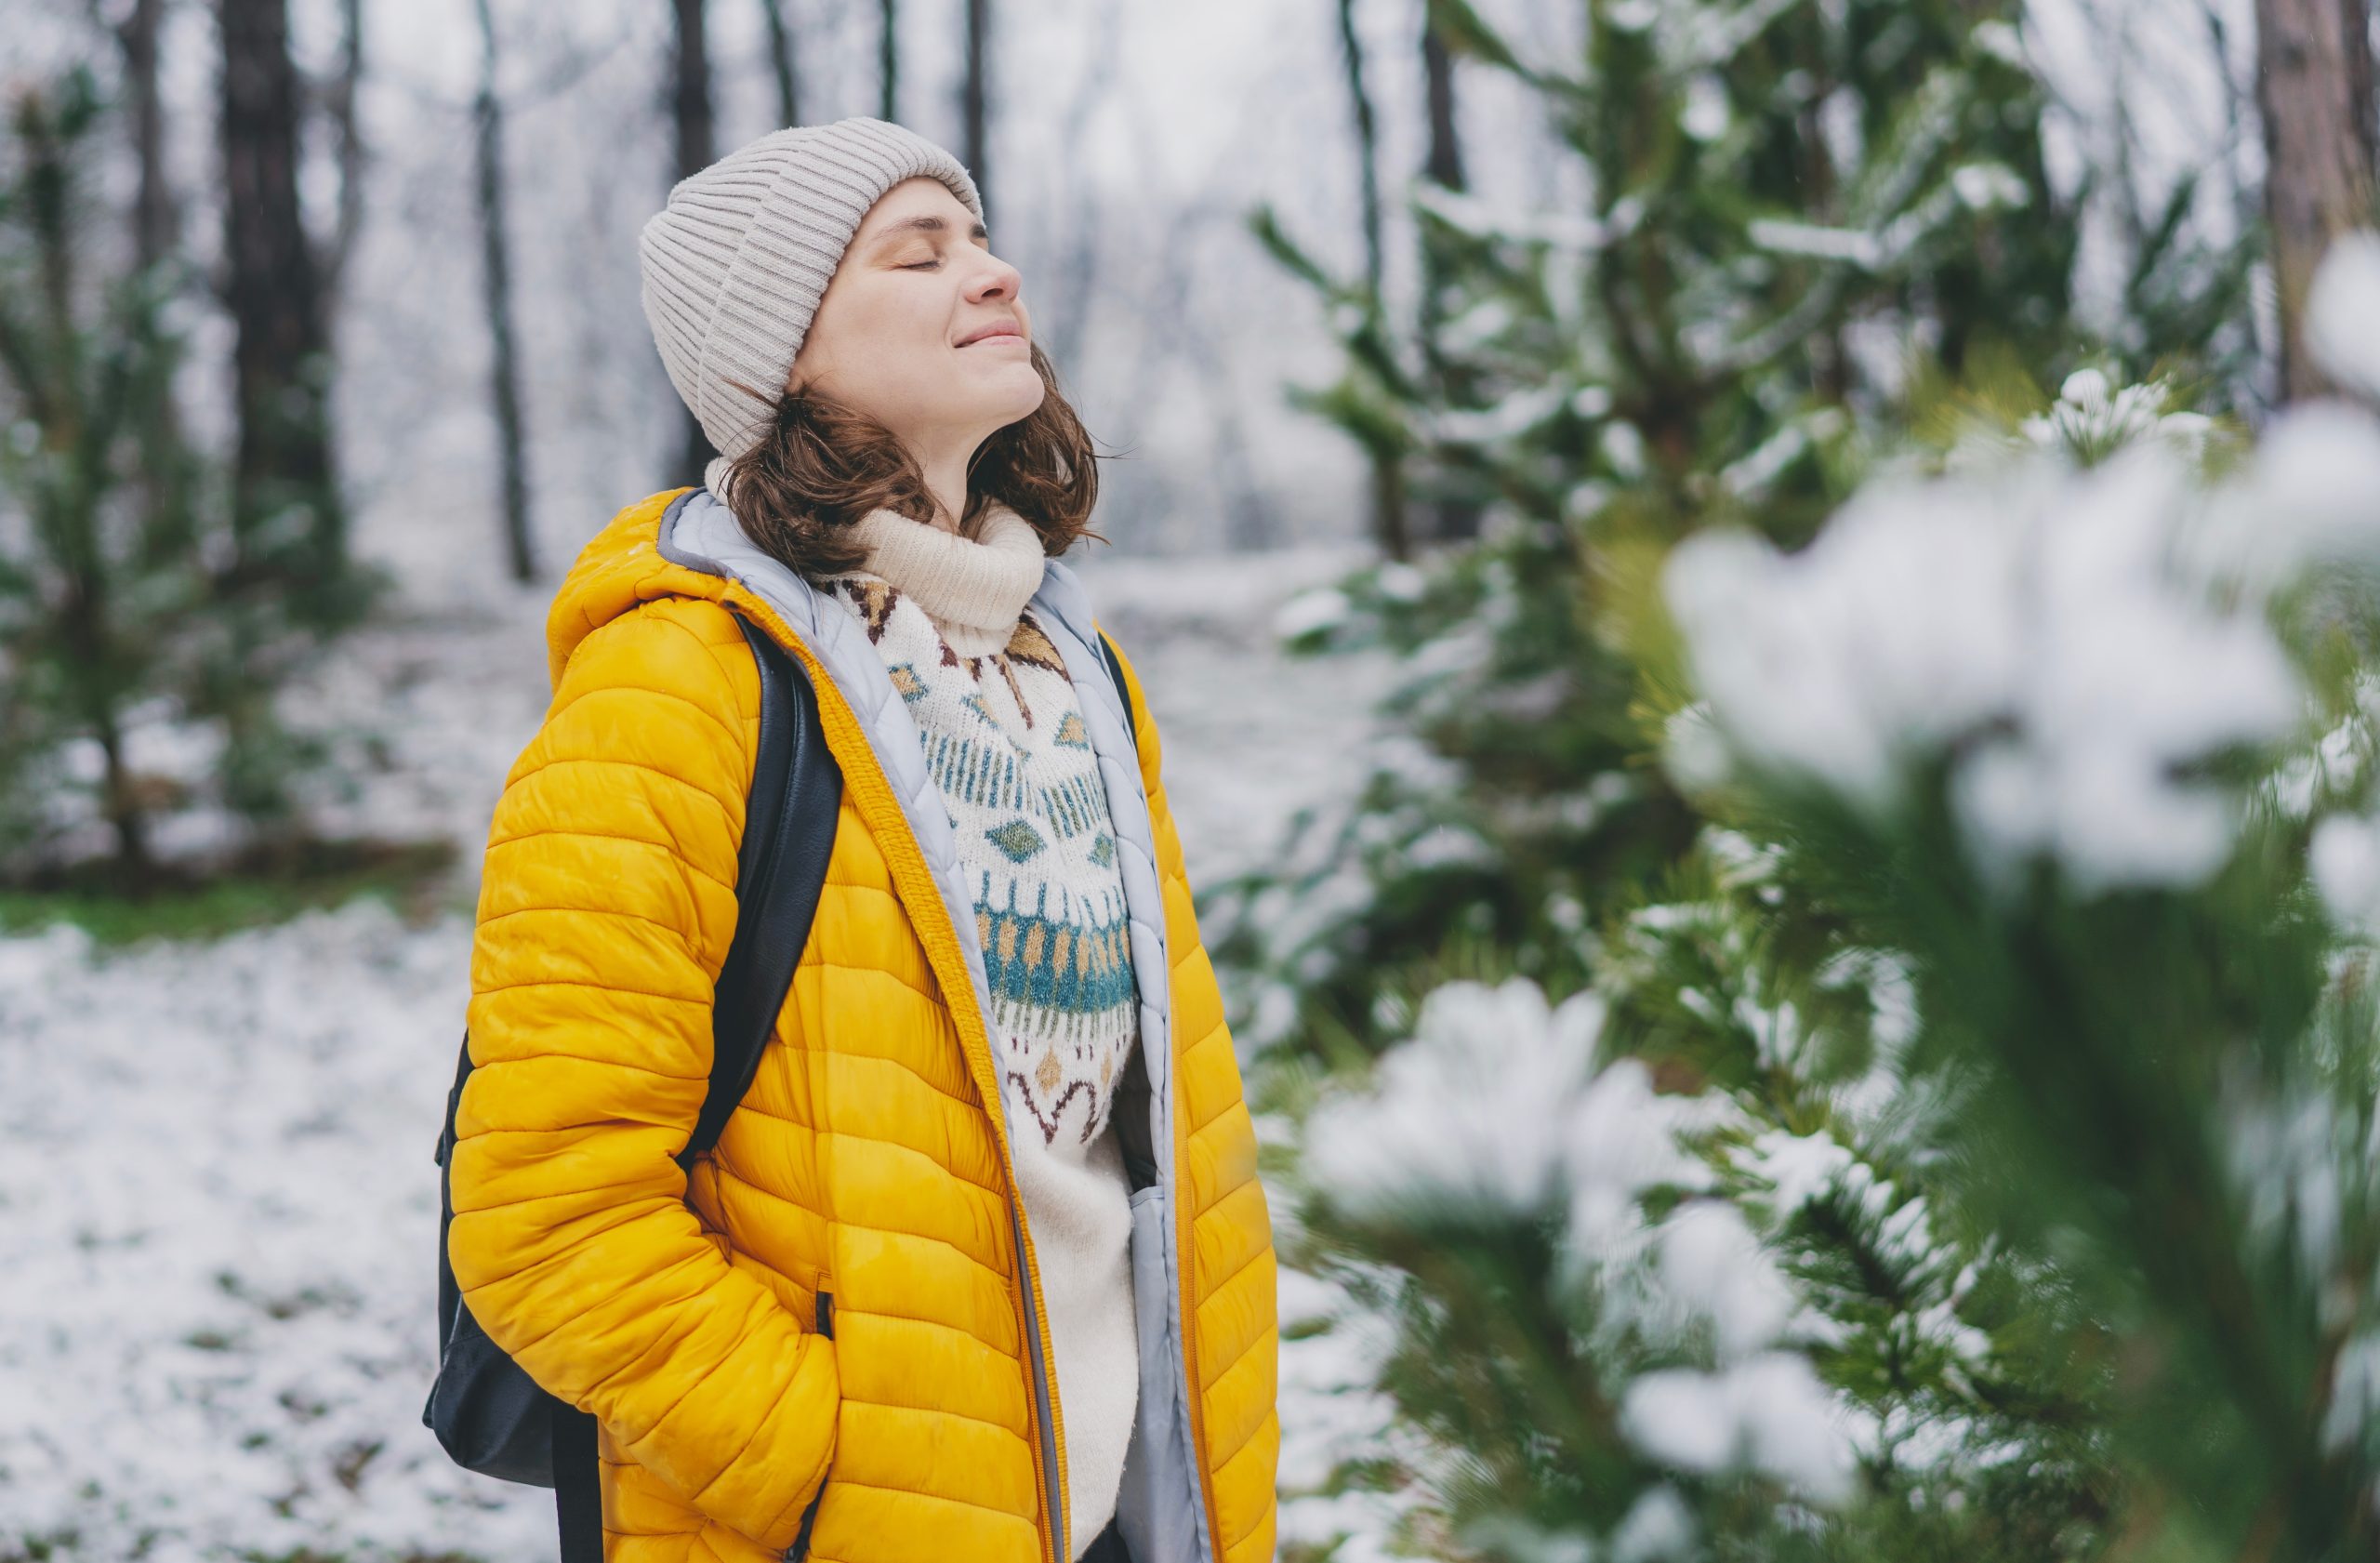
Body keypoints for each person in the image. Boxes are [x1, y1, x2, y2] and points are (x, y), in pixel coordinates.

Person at [443, 117, 1279, 1563]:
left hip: (1135, 1502)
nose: (997, 273)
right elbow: (543, 1205)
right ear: (788, 356)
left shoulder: (1074, 673)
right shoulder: (681, 684)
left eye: (985, 237)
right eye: (922, 250)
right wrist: (832, 1472)